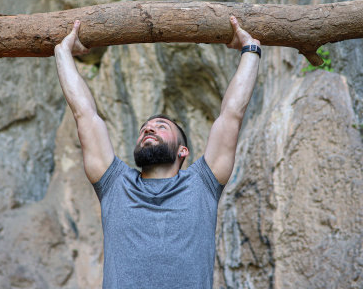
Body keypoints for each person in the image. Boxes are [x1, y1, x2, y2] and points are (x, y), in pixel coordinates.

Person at [54, 16, 261, 288]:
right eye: (144, 128)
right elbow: (85, 115)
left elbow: (232, 114)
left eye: (161, 127)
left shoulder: (203, 184)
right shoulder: (115, 184)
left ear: (182, 150)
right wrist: (63, 52)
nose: (148, 129)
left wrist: (250, 48)